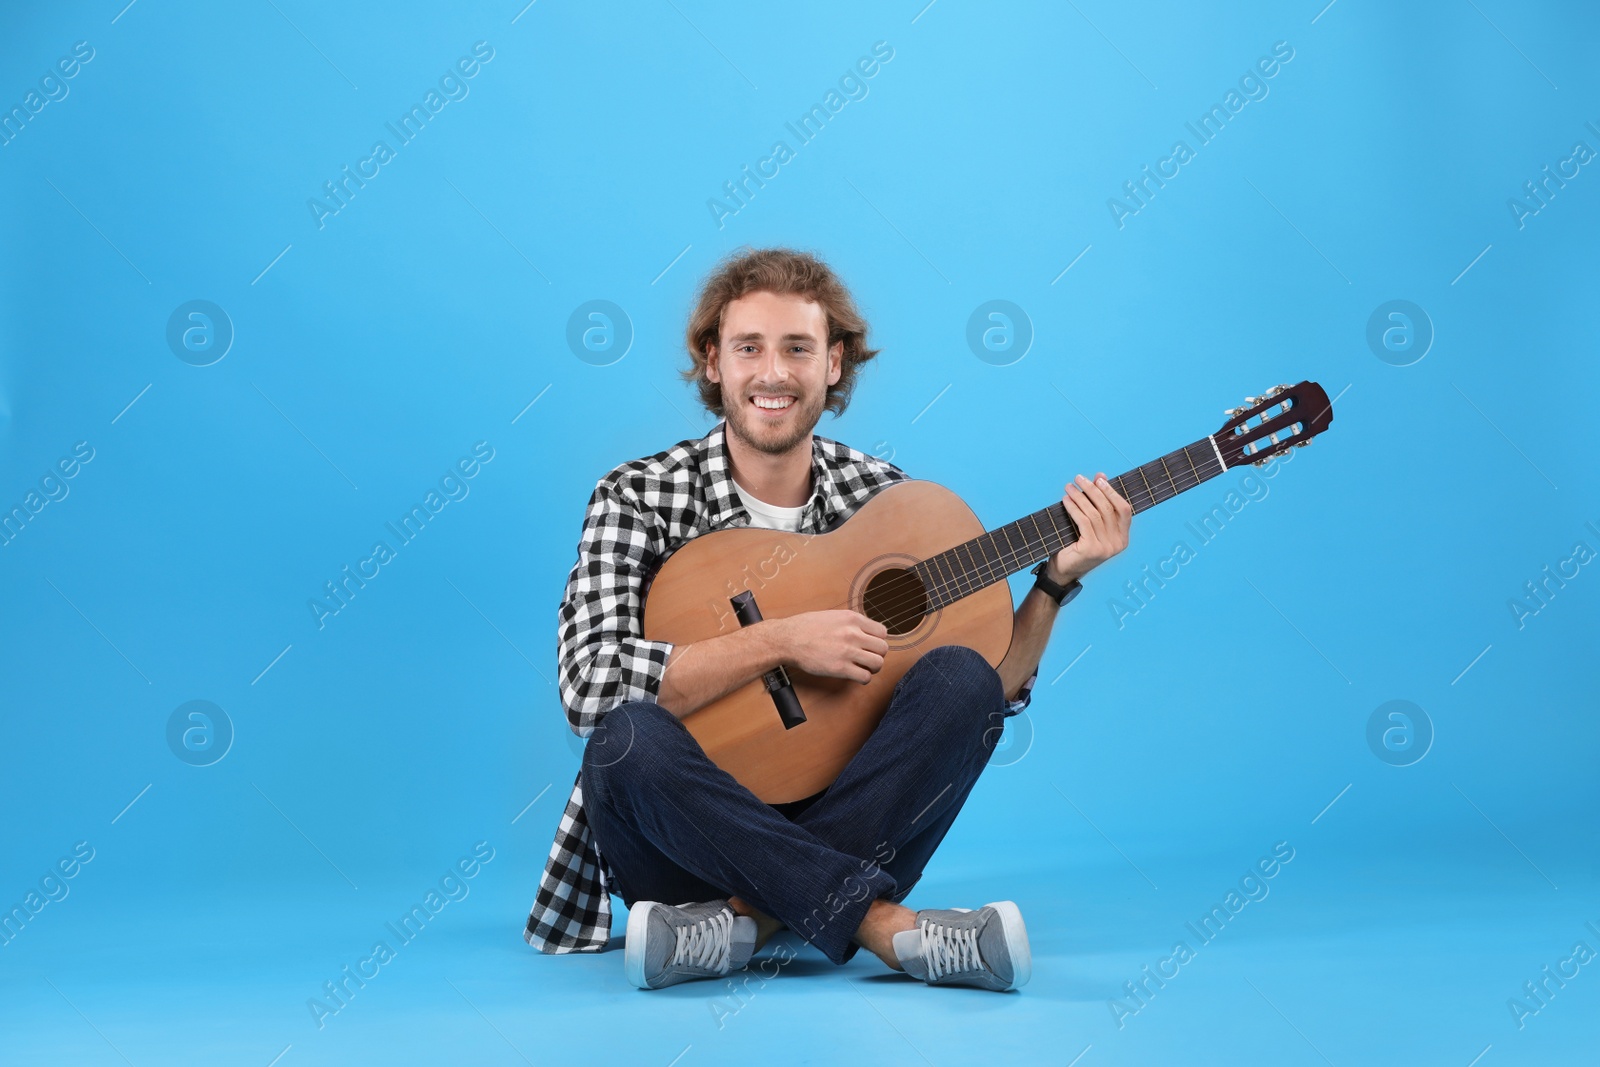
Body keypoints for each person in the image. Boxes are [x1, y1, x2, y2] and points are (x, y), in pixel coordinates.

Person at [524, 247, 1131, 991]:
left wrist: (1054, 583)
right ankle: (887, 930)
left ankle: (744, 928)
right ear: (712, 362)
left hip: (849, 812)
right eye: (749, 347)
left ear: (834, 364)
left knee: (961, 679)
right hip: (683, 848)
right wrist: (777, 639)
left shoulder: (887, 502)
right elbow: (589, 690)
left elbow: (990, 693)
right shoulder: (639, 496)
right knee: (624, 740)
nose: (773, 373)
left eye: (798, 348)